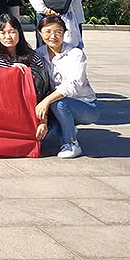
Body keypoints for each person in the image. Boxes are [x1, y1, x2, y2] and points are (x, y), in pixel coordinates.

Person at [35, 15, 99, 159]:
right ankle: (67, 127)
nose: (53, 36)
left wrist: (46, 101)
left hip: (85, 105)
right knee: (49, 136)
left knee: (59, 104)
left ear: (64, 33)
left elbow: (72, 86)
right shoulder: (39, 54)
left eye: (58, 32)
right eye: (48, 32)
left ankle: (71, 144)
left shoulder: (75, 54)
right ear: (40, 33)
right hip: (53, 106)